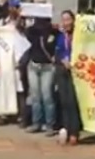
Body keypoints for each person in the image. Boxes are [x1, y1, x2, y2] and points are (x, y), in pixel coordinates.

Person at [24, 15, 57, 134]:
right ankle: (36, 123)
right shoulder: (32, 31)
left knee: (47, 96)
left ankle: (49, 124)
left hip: (47, 67)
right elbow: (25, 32)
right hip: (33, 66)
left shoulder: (53, 31)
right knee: (35, 96)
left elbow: (54, 46)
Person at [54, 10, 81, 145]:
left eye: (68, 20)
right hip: (62, 70)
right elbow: (58, 52)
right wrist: (62, 60)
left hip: (75, 71)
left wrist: (72, 62)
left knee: (72, 102)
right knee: (63, 102)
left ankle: (74, 132)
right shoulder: (60, 35)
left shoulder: (78, 36)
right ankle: (65, 129)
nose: (66, 23)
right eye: (64, 20)